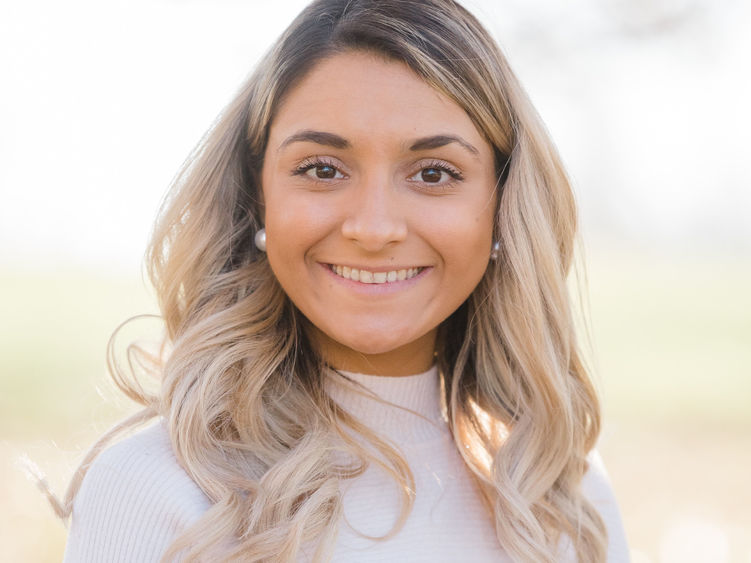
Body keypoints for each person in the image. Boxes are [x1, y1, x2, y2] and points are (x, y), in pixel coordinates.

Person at [50, 0, 629, 561]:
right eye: (322, 170)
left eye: (433, 173)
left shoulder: (559, 495)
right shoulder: (155, 492)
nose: (373, 228)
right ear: (259, 197)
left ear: (504, 204)